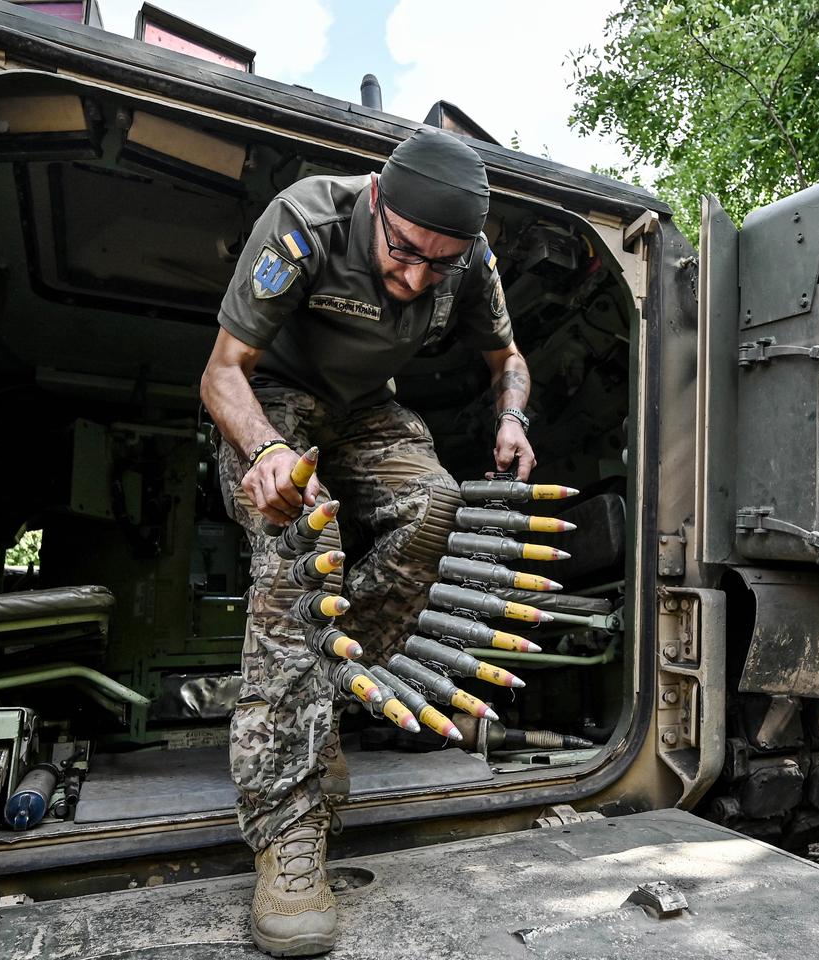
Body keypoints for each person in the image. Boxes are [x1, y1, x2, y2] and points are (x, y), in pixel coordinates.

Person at [198, 127, 534, 957]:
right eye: (406, 252)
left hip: (366, 410)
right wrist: (267, 451)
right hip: (272, 400)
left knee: (436, 503)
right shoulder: (307, 220)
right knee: (295, 561)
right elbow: (222, 373)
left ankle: (328, 693)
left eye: (439, 264)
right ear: (377, 199)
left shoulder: (470, 262)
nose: (418, 277)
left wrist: (513, 416)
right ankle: (288, 831)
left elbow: (508, 358)